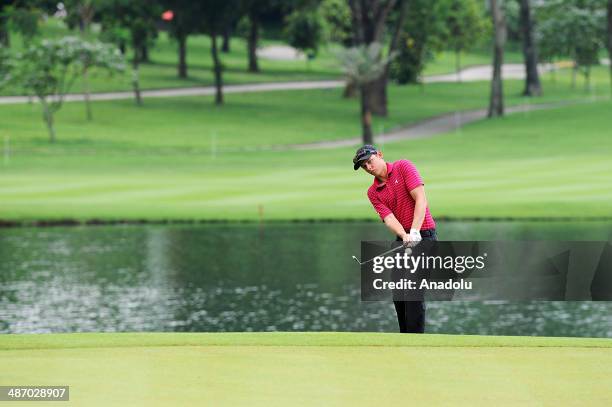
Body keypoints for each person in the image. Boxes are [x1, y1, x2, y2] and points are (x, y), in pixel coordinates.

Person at [353, 144, 437, 333]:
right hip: (404, 237)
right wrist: (405, 235)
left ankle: (415, 340)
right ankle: (405, 337)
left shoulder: (404, 166)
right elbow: (389, 218)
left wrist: (415, 231)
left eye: (369, 161)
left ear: (380, 155)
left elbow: (421, 200)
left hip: (424, 234)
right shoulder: (373, 192)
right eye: (364, 166)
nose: (368, 167)